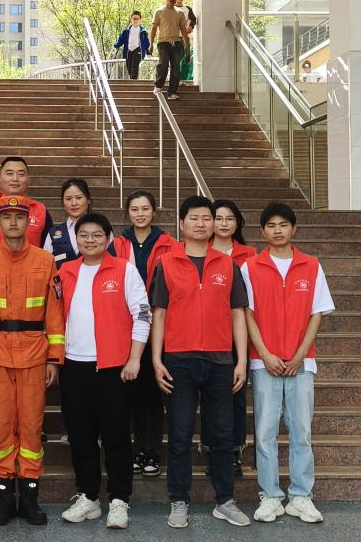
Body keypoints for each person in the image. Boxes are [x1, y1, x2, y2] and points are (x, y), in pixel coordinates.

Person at [149, 195, 251, 529]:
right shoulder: (167, 263)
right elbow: (159, 314)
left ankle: (225, 500)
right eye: (194, 218)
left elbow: (238, 314)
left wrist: (241, 360)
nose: (201, 223)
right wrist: (156, 359)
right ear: (182, 224)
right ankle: (179, 500)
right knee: (180, 434)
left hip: (221, 361)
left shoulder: (228, 265)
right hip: (178, 360)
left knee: (222, 434)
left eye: (207, 218)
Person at [0, 195, 65, 526]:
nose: (13, 222)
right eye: (7, 216)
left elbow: (54, 312)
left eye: (19, 217)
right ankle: (3, 497)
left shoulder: (45, 261)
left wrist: (54, 357)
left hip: (34, 354)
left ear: (28, 222)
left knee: (31, 425)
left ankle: (29, 497)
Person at [58, 213, 151, 531]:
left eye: (97, 234)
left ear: (109, 238)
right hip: (73, 365)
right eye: (84, 235)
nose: (90, 240)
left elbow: (142, 314)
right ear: (76, 239)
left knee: (116, 437)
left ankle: (119, 499)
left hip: (113, 367)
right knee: (80, 436)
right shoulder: (66, 271)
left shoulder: (124, 270)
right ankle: (88, 497)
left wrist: (134, 358)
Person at [243, 202, 334, 525]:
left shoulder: (311, 265)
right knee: (265, 431)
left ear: (294, 229)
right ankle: (270, 496)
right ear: (262, 231)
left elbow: (317, 314)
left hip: (301, 362)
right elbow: (247, 315)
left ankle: (300, 496)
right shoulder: (251, 267)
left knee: (301, 430)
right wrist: (264, 353)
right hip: (263, 362)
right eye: (271, 225)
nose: (277, 230)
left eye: (283, 224)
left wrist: (299, 354)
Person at [109, 190, 175, 478]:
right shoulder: (117, 244)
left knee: (153, 393)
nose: (140, 214)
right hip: (127, 326)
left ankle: (152, 452)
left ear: (154, 212)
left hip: (159, 324)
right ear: (127, 213)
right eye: (134, 209)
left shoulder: (169, 244)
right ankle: (135, 452)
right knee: (130, 393)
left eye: (145, 209)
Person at [201, 199, 256, 478]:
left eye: (229, 218)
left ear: (238, 223)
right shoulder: (199, 251)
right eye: (218, 218)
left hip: (238, 334)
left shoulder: (250, 255)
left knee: (235, 395)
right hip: (206, 333)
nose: (223, 223)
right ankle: (211, 449)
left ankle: (234, 451)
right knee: (209, 396)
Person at [0, 156, 53, 257]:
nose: (15, 179)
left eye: (21, 174)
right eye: (9, 173)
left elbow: (49, 251)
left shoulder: (41, 211)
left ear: (28, 180)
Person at [148, 0, 190, 100]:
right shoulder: (159, 11)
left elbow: (183, 30)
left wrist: (187, 46)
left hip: (177, 43)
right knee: (164, 64)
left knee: (176, 68)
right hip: (163, 42)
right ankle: (158, 85)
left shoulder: (180, 13)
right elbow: (154, 28)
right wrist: (151, 44)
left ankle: (172, 92)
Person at [43, 178, 93, 270]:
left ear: (88, 200)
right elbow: (46, 265)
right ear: (63, 203)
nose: (74, 203)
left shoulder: (102, 229)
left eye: (79, 198)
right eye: (68, 199)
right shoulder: (53, 233)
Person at [113, 11, 151, 80]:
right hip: (128, 51)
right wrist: (116, 46)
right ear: (131, 19)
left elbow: (146, 42)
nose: (135, 20)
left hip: (138, 50)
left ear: (140, 20)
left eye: (137, 19)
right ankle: (133, 79)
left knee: (134, 66)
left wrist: (148, 52)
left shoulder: (143, 32)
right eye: (134, 19)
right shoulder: (126, 31)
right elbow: (121, 39)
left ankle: (133, 80)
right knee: (129, 66)